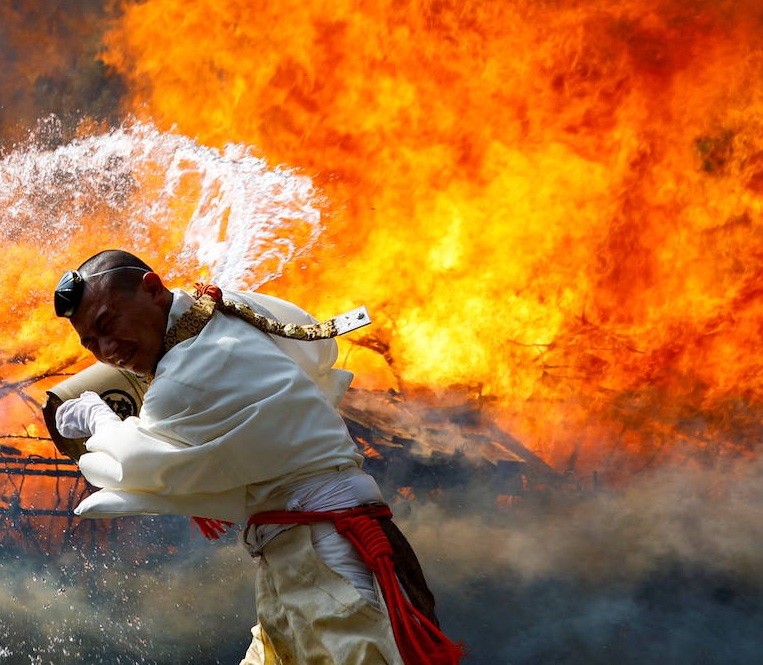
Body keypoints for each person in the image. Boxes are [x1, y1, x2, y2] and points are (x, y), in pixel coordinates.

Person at [49, 249, 461, 664]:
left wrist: (101, 420)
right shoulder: (238, 307)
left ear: (153, 288)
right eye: (90, 343)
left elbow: (137, 462)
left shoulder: (185, 376)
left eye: (107, 324)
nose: (107, 349)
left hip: (327, 550)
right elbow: (315, 352)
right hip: (301, 550)